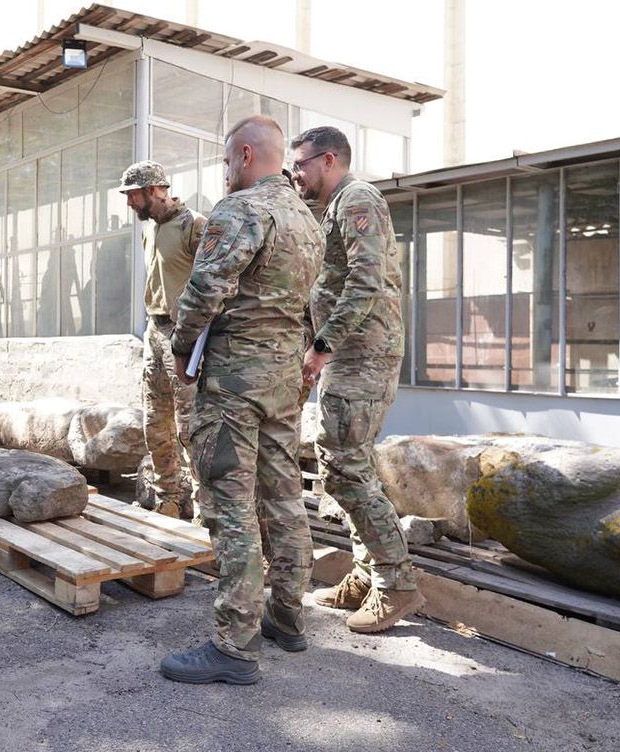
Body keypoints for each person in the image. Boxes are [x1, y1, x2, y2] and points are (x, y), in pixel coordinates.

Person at [159, 116, 324, 685]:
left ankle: (234, 644)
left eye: (227, 161)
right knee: (284, 497)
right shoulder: (308, 219)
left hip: (234, 383)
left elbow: (206, 289)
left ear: (246, 155)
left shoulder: (240, 210)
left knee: (231, 503)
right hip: (283, 383)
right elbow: (309, 307)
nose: (225, 172)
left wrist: (181, 349)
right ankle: (288, 617)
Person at [290, 125, 424, 633]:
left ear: (328, 160)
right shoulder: (333, 208)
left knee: (344, 468)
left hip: (362, 354)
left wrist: (323, 346)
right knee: (348, 467)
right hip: (349, 354)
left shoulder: (356, 199)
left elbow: (366, 282)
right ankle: (367, 574)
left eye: (301, 163)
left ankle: (396, 583)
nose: (296, 173)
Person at [118, 160, 208, 519]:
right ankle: (168, 498)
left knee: (190, 426)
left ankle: (205, 510)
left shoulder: (195, 226)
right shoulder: (149, 229)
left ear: (155, 190)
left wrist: (194, 338)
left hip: (183, 335)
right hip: (153, 332)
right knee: (155, 422)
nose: (129, 203)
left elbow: (211, 285)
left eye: (133, 195)